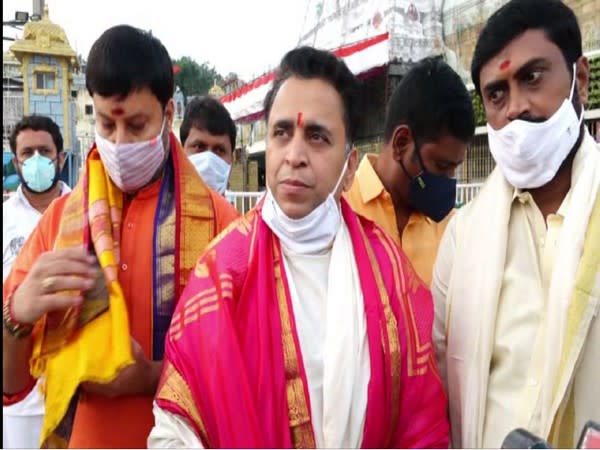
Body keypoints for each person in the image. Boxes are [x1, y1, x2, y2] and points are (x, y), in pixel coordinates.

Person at [149, 46, 449, 449]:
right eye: (282, 132)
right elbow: (175, 427)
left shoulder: (389, 273)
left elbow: (421, 425)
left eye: (317, 137)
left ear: (349, 164)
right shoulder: (221, 274)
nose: (294, 155)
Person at [2, 25, 239, 448]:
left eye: (136, 124)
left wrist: (149, 375)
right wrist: (16, 316)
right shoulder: (60, 222)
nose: (119, 142)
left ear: (169, 114)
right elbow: (10, 383)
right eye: (106, 124)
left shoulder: (221, 225)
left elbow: (247, 369)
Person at [432, 0, 599, 447]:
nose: (515, 108)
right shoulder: (463, 236)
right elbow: (441, 376)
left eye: (532, 77)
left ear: (579, 80)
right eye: (497, 94)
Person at [345, 56, 475, 286]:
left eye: (455, 168)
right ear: (401, 142)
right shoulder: (338, 211)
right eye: (442, 166)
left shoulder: (454, 231)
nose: (448, 181)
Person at [3, 115, 71, 449]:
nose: (36, 161)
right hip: (18, 391)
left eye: (44, 151)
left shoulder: (85, 211)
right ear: (16, 162)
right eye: (27, 153)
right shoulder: (4, 220)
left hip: (76, 383)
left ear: (60, 157)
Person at [181, 96, 236, 195]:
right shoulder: (158, 209)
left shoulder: (233, 211)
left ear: (232, 161)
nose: (208, 161)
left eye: (219, 150)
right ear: (180, 152)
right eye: (199, 146)